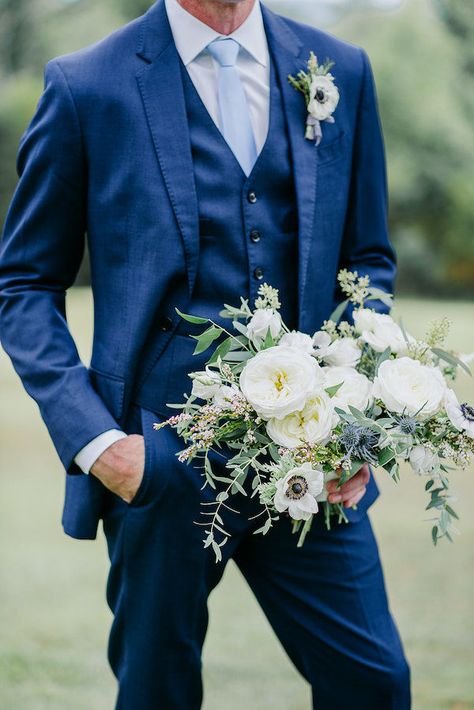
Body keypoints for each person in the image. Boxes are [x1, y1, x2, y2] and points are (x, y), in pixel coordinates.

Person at [0, 0, 411, 707]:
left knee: (373, 681)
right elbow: (25, 282)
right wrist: (101, 445)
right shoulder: (87, 85)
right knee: (157, 692)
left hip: (312, 455)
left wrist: (357, 413)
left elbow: (366, 259)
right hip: (158, 461)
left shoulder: (340, 69)